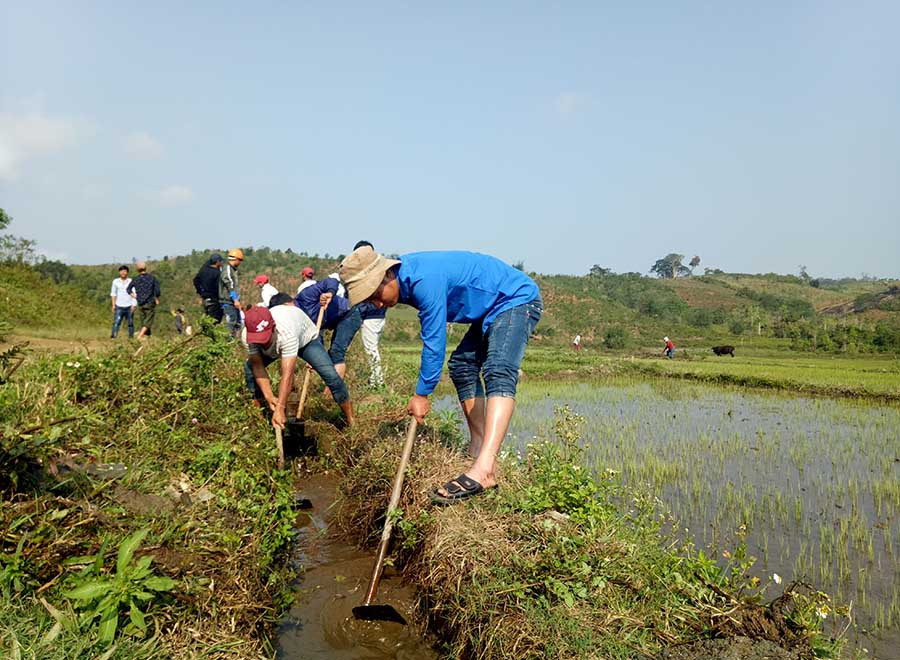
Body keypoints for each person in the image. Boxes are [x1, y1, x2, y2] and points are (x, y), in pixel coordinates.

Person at [340, 247, 542, 505]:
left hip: (515, 299)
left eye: (376, 294)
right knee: (462, 365)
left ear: (388, 274)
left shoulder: (424, 281)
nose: (377, 304)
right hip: (491, 308)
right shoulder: (406, 280)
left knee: (498, 369)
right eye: (370, 300)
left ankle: (486, 468)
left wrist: (421, 394)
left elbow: (435, 342)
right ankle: (478, 448)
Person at [242, 293, 354, 429]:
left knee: (331, 376)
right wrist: (269, 396)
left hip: (305, 339)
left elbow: (287, 374)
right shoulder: (248, 336)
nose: (262, 342)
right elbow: (258, 367)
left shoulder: (286, 332)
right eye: (258, 339)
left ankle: (350, 421)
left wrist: (280, 407)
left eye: (265, 338)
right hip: (279, 342)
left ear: (273, 327)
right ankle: (260, 418)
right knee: (250, 369)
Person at [294, 276, 362, 383]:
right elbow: (316, 336)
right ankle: (332, 389)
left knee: (336, 353)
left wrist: (330, 293)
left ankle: (336, 390)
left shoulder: (305, 297)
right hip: (333, 320)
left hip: (349, 314)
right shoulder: (298, 321)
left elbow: (332, 281)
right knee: (329, 355)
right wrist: (314, 358)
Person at [352, 240, 387, 387]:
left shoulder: (370, 272)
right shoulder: (378, 269)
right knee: (372, 348)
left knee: (371, 349)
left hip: (372, 317)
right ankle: (375, 379)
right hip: (377, 316)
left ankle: (377, 382)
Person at [127, 262, 160, 341]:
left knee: (143, 320)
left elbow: (128, 289)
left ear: (137, 270)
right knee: (148, 321)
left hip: (140, 302)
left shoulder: (136, 279)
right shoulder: (152, 278)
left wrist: (133, 295)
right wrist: (156, 298)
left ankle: (146, 338)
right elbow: (157, 290)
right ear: (145, 268)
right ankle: (140, 335)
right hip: (150, 302)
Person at [219, 248, 244, 336]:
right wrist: (235, 299)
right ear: (236, 259)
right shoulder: (227, 268)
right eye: (240, 260)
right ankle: (228, 341)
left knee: (238, 323)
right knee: (231, 323)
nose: (240, 263)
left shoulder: (233, 269)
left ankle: (235, 341)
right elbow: (229, 284)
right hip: (228, 302)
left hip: (233, 302)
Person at [193, 253, 224, 322]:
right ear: (217, 262)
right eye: (220, 261)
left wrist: (200, 291)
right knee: (215, 321)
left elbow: (195, 281)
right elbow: (219, 287)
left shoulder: (203, 270)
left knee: (208, 319)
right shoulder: (217, 273)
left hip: (205, 299)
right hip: (214, 300)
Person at [110, 265, 136, 339]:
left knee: (130, 323)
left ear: (127, 272)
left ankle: (131, 338)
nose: (123, 273)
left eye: (125, 271)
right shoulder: (115, 281)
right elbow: (113, 294)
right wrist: (113, 305)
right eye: (121, 271)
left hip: (129, 305)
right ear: (119, 272)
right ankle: (113, 337)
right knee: (116, 322)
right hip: (119, 305)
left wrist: (134, 305)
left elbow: (134, 293)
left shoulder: (131, 281)